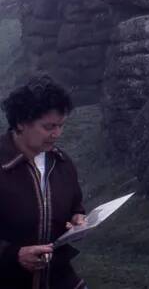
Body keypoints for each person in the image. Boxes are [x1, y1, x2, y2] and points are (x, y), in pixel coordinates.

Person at [0, 76, 87, 289]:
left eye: (60, 125)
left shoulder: (63, 163)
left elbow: (76, 205)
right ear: (21, 122)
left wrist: (77, 219)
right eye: (48, 126)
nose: (56, 134)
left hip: (60, 280)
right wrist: (14, 254)